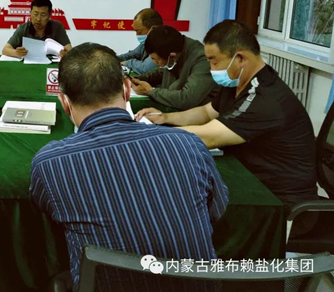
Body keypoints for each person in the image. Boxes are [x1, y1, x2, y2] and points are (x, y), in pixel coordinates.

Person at [30, 43, 228, 290]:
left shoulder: (50, 163)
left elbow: (49, 217)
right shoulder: (188, 143)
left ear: (64, 102)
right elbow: (216, 210)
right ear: (126, 90)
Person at [136, 20, 317, 211]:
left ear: (240, 58)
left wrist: (151, 136)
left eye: (214, 61)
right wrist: (165, 118)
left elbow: (209, 136)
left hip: (279, 202)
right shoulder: (238, 83)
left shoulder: (265, 98)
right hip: (251, 179)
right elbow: (206, 112)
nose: (211, 68)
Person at [131, 25, 218, 110]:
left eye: (156, 60)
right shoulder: (173, 50)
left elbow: (187, 99)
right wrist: (138, 79)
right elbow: (161, 71)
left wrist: (151, 91)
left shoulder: (202, 60)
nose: (155, 63)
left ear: (172, 56)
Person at [2, 0, 72, 59]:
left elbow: (69, 49)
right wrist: (16, 53)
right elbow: (5, 49)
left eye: (43, 15)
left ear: (49, 16)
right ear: (30, 13)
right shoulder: (23, 28)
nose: (38, 19)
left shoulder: (57, 27)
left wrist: (65, 53)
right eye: (35, 14)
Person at [117, 8, 162, 74]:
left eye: (139, 31)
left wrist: (125, 63)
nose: (137, 35)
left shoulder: (163, 44)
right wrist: (111, 58)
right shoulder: (146, 43)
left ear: (153, 29)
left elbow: (144, 68)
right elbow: (131, 54)